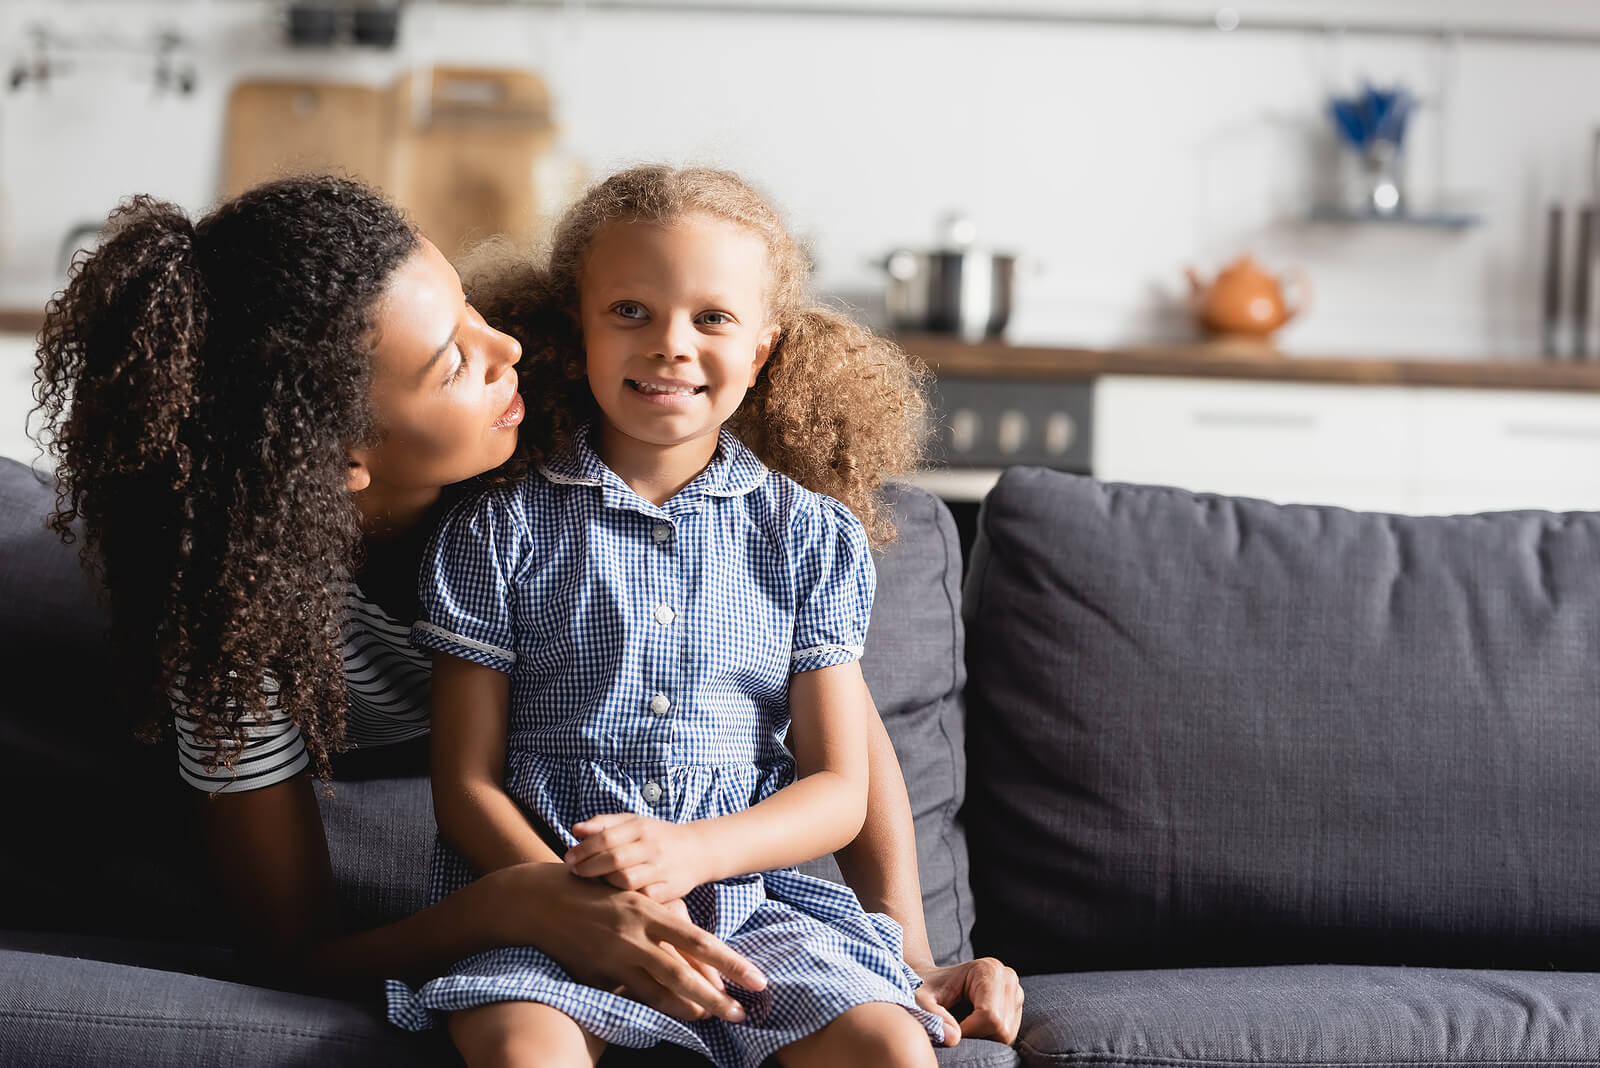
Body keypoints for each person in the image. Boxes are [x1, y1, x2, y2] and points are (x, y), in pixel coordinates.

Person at [32, 174, 1022, 1044]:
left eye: (468, 308)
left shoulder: (559, 454)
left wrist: (908, 951)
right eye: (452, 362)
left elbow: (818, 706)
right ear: (342, 460)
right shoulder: (234, 640)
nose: (508, 343)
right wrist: (524, 907)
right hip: (505, 849)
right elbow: (292, 947)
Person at [384, 165, 983, 1068]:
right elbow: (466, 785)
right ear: (578, 330)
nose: (669, 345)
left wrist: (694, 855)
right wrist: (577, 903)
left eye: (712, 318)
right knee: (521, 1049)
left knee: (891, 1047)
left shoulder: (810, 537)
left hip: (751, 910)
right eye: (630, 311)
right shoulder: (495, 529)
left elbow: (839, 791)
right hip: (548, 907)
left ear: (763, 350)